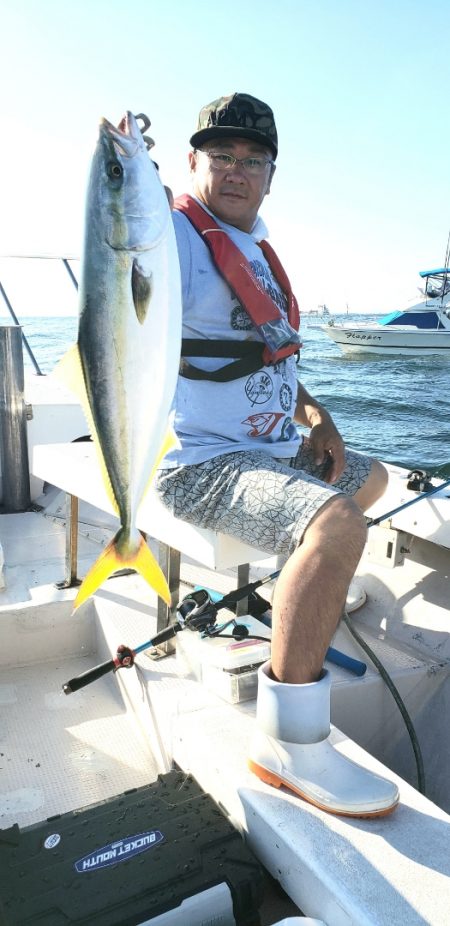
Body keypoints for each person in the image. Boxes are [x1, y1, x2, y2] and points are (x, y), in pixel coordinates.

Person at [155, 92, 399, 818]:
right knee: (336, 526)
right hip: (205, 466)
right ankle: (289, 744)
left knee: (373, 476)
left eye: (252, 159)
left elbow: (269, 352)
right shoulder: (169, 236)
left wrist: (317, 414)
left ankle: (304, 592)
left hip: (274, 449)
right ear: (193, 162)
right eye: (220, 157)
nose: (236, 170)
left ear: (271, 174)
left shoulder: (257, 248)